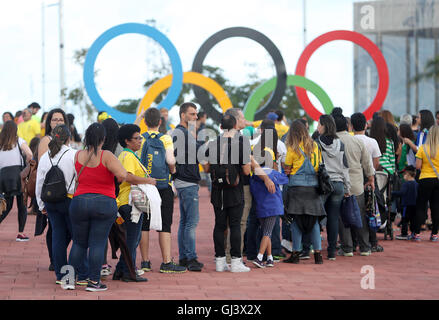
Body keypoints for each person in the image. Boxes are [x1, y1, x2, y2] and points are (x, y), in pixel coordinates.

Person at [68, 122, 127, 292]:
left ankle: (69, 279)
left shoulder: (78, 155)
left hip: (79, 201)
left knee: (79, 243)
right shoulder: (106, 155)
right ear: (104, 138)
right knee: (97, 243)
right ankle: (94, 282)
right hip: (103, 202)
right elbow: (122, 175)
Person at [138, 108, 186, 274]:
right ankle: (166, 262)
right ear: (160, 122)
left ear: (145, 122)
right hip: (163, 186)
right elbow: (170, 160)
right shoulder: (165, 138)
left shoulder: (140, 139)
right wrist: (173, 171)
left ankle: (145, 262)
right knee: (165, 223)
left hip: (144, 185)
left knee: (143, 223)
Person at [203, 114, 251, 272]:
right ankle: (236, 261)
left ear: (221, 127)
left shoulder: (213, 143)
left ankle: (220, 261)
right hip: (235, 189)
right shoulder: (240, 143)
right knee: (235, 224)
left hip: (217, 189)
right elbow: (246, 170)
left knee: (219, 225)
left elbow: (207, 168)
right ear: (236, 124)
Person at [35, 124, 77, 289]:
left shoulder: (46, 156)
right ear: (68, 137)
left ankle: (61, 275)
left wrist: (40, 204)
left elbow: (40, 182)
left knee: (58, 237)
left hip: (50, 201)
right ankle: (78, 271)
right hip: (69, 200)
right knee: (77, 238)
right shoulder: (73, 154)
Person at [113, 124, 155, 282]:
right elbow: (127, 176)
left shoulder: (128, 155)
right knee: (132, 239)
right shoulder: (128, 156)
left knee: (131, 239)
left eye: (140, 138)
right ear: (127, 141)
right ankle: (129, 272)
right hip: (130, 203)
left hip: (128, 202)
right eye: (137, 138)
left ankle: (121, 270)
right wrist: (148, 181)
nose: (140, 141)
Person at [332, 108, 375, 257]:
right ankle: (365, 247)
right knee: (360, 215)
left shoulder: (330, 142)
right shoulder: (356, 141)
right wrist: (371, 179)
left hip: (337, 184)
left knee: (341, 217)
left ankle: (347, 247)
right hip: (357, 184)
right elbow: (367, 163)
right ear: (347, 126)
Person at [282, 120, 325, 264]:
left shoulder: (292, 148)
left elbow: (287, 169)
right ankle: (318, 254)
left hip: (297, 188)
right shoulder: (315, 146)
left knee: (296, 221)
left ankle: (295, 253)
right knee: (313, 221)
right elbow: (319, 166)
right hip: (313, 187)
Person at [171, 102, 205, 271]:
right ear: (183, 115)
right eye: (192, 114)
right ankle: (191, 258)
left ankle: (184, 257)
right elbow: (199, 151)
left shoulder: (182, 133)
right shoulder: (182, 133)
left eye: (196, 114)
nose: (195, 117)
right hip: (187, 181)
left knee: (184, 222)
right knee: (191, 222)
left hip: (182, 181)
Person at [250, 119, 287, 268]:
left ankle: (270, 257)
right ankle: (260, 257)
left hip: (259, 197)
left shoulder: (256, 153)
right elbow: (281, 177)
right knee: (268, 230)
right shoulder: (272, 158)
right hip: (273, 197)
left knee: (266, 228)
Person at [37, 108, 69, 271]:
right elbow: (43, 167)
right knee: (55, 229)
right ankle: (55, 260)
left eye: (60, 120)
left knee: (59, 230)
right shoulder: (46, 140)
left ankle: (59, 260)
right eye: (54, 119)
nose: (57, 122)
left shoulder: (67, 141)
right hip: (52, 191)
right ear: (49, 122)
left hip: (63, 192)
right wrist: (40, 201)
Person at [317, 115, 351, 260]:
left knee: (315, 217)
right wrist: (347, 187)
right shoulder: (340, 144)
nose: (317, 127)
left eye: (319, 124)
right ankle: (332, 252)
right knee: (333, 218)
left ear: (324, 125)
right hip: (338, 184)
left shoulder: (317, 143)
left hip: (323, 184)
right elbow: (345, 168)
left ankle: (312, 248)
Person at [352, 112, 384, 253]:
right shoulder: (372, 142)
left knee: (354, 210)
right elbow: (376, 163)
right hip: (370, 178)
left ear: (351, 126)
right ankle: (373, 241)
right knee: (371, 210)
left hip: (355, 178)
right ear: (366, 125)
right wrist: (370, 176)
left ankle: (353, 242)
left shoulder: (350, 141)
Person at [0, 121, 32, 241]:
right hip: (18, 175)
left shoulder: (0, 143)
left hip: (3, 176)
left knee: (5, 205)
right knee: (22, 205)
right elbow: (29, 154)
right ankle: (21, 233)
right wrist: (27, 165)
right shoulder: (19, 141)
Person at [414, 125, 439, 242]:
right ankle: (434, 234)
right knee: (436, 207)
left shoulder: (423, 148)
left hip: (425, 179)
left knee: (421, 206)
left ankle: (417, 233)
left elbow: (417, 166)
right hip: (437, 180)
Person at [392, 166, 418, 240]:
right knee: (413, 220)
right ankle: (414, 233)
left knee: (405, 220)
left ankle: (404, 233)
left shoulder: (406, 184)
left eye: (404, 175)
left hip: (406, 205)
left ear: (408, 175)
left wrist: (393, 193)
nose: (403, 176)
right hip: (414, 205)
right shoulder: (416, 184)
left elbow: (402, 193)